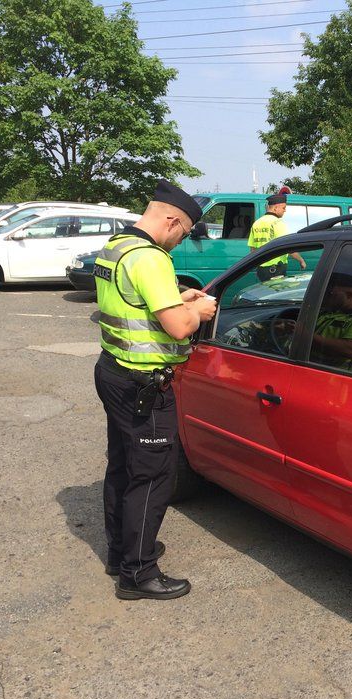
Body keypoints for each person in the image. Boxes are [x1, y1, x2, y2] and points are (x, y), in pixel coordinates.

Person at [92, 179, 217, 601]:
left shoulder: (117, 247)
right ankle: (139, 574)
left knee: (123, 466)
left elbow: (134, 303)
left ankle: (121, 552)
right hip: (143, 383)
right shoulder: (151, 258)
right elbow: (180, 327)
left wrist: (176, 296)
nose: (181, 242)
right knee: (152, 477)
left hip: (113, 372)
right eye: (183, 233)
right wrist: (196, 310)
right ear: (171, 220)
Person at [247, 192, 306, 281]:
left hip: (262, 269)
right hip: (276, 269)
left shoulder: (256, 223)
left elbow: (252, 249)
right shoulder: (277, 222)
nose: (285, 210)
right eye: (283, 208)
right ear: (275, 208)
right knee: (277, 294)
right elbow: (287, 246)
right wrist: (301, 260)